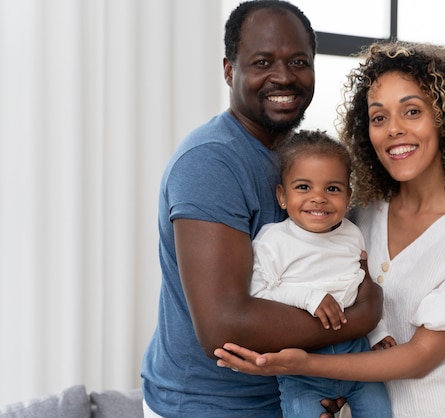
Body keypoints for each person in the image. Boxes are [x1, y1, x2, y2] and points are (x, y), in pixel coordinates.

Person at [214, 40, 445, 418]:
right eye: (379, 117)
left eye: (412, 111)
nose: (393, 129)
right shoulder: (361, 215)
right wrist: (333, 389)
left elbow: (419, 358)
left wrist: (305, 367)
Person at [140, 2, 383, 417]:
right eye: (262, 61)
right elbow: (225, 326)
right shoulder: (210, 162)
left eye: (299, 61)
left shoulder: (309, 161)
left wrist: (330, 376)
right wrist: (361, 316)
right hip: (208, 407)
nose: (284, 76)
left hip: (296, 394)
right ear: (230, 70)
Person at [250, 129, 395, 418]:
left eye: (332, 189)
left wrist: (379, 332)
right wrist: (309, 297)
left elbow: (358, 287)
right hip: (302, 371)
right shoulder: (273, 241)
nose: (318, 198)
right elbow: (256, 294)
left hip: (359, 360)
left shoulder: (352, 235)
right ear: (282, 195)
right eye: (303, 187)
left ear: (348, 196)